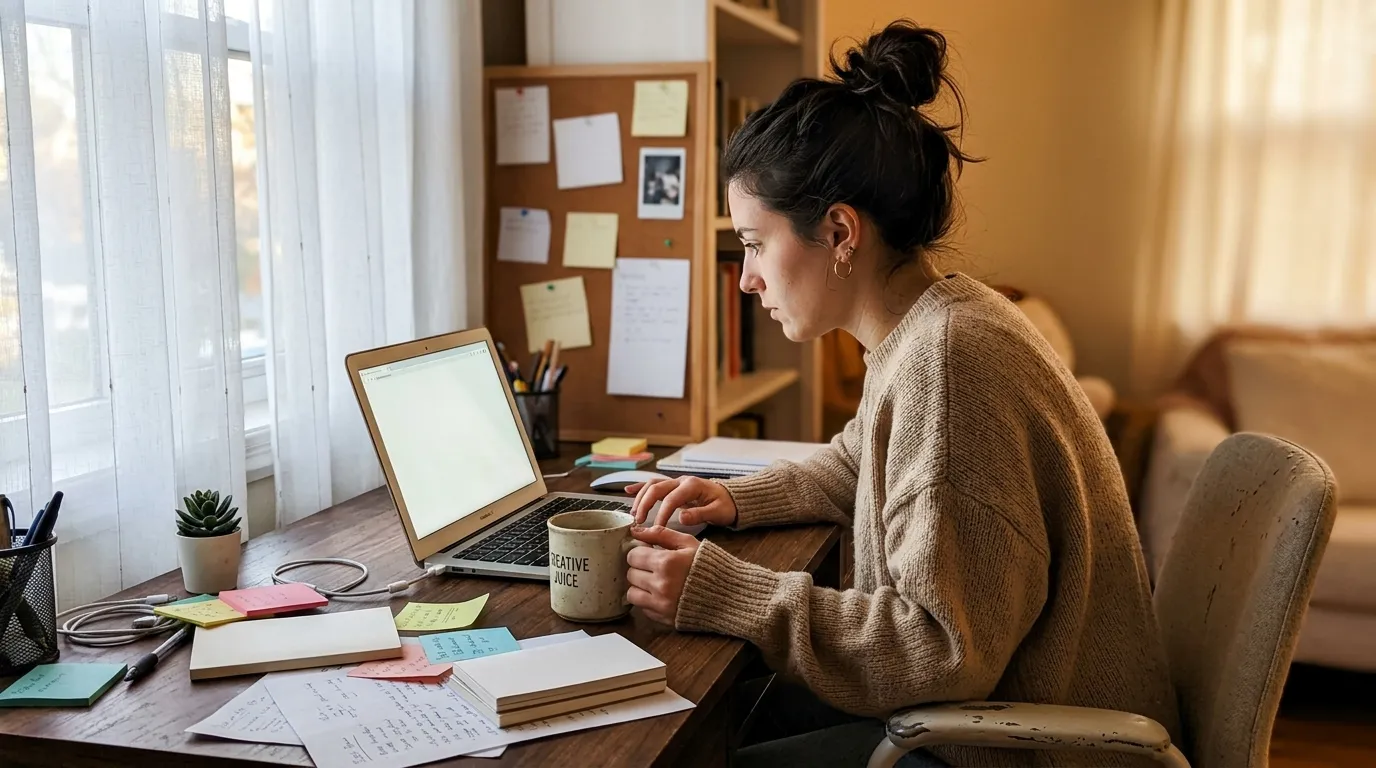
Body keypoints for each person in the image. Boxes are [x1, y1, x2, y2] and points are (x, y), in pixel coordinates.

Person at [621, 19, 1181, 768]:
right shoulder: (936, 321)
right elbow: (864, 461)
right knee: (739, 713)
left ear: (841, 231)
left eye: (755, 244)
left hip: (1022, 745)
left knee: (707, 745)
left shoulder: (948, 368)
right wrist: (735, 500)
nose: (748, 278)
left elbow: (941, 647)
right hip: (996, 712)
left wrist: (729, 592)